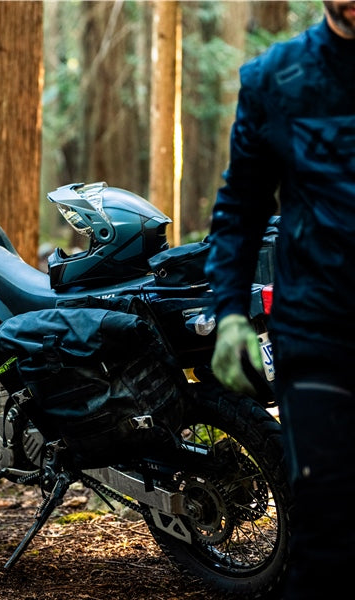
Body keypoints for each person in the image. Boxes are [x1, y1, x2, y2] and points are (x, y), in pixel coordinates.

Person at [204, 2, 355, 598]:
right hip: (318, 334)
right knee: (326, 530)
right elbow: (241, 207)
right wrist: (229, 312)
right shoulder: (275, 78)